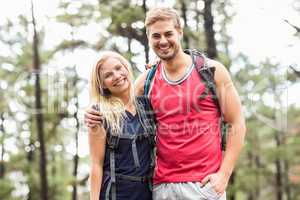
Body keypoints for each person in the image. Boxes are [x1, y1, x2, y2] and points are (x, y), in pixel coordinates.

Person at [85, 7, 246, 200]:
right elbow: (119, 102)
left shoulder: (211, 71)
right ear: (149, 39)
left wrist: (224, 175)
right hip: (161, 189)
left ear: (179, 32)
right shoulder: (147, 81)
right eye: (156, 36)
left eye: (168, 33)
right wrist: (91, 111)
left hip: (204, 187)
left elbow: (237, 123)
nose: (162, 41)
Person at [87, 51, 155, 200]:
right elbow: (96, 165)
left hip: (148, 193)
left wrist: (156, 66)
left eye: (118, 68)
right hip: (116, 194)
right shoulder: (99, 114)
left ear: (126, 67)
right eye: (108, 75)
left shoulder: (146, 104)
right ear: (102, 84)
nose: (117, 76)